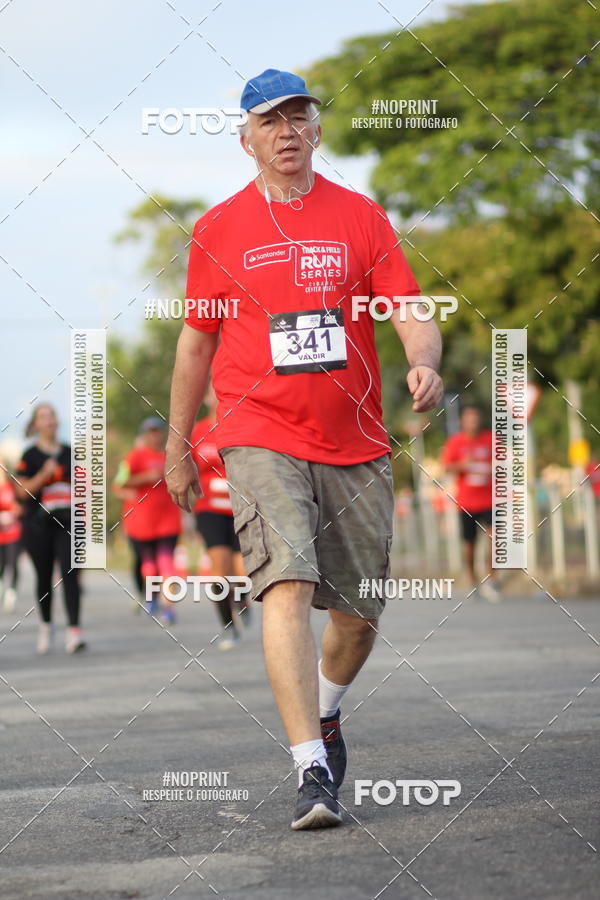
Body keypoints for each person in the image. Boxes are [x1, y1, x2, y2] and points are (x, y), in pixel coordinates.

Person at [165, 68, 443, 830]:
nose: (287, 131)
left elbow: (411, 307)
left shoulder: (360, 216)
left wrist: (424, 355)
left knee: (356, 617)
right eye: (270, 120)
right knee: (284, 584)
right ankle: (309, 769)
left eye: (299, 117)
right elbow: (196, 344)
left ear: (316, 129)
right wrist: (178, 443)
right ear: (246, 139)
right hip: (257, 433)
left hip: (354, 439)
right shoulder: (218, 229)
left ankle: (326, 714)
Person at [15, 403, 85, 653]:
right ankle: (46, 626)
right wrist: (43, 475)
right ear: (36, 424)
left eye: (52, 416)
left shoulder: (70, 452)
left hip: (68, 523)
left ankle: (74, 631)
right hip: (39, 525)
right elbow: (21, 493)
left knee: (71, 574)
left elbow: (84, 490)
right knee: (44, 578)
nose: (50, 421)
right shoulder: (29, 455)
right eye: (44, 417)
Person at [191, 383, 249, 650]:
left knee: (241, 571)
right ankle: (229, 627)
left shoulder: (240, 425)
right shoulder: (197, 432)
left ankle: (242, 598)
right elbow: (187, 469)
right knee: (219, 569)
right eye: (211, 390)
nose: (216, 393)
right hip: (210, 510)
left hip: (240, 507)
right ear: (205, 397)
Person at [118, 418, 182, 624]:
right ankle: (151, 597)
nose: (155, 435)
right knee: (149, 565)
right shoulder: (134, 457)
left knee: (166, 563)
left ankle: (169, 607)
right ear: (144, 435)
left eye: (158, 431)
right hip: (141, 522)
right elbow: (120, 482)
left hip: (168, 519)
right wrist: (145, 477)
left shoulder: (170, 456)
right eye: (150, 432)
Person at [442, 404, 500, 601]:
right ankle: (473, 580)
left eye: (476, 418)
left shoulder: (490, 439)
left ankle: (491, 580)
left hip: (490, 500)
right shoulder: (456, 442)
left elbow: (504, 462)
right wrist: (462, 465)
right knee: (470, 544)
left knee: (494, 537)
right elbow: (447, 467)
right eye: (469, 418)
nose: (473, 422)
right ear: (463, 421)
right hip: (466, 503)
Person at [0, 461, 22, 613]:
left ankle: (11, 593)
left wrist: (17, 511)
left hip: (13, 533)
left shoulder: (12, 487)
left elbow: (21, 506)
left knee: (12, 564)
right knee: (1, 565)